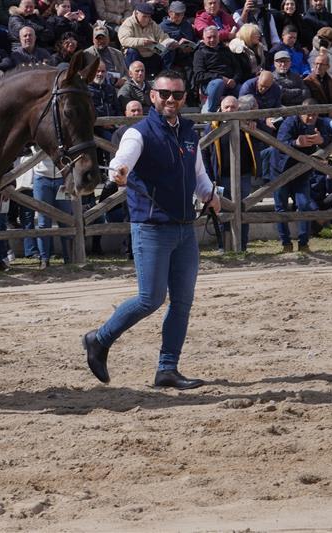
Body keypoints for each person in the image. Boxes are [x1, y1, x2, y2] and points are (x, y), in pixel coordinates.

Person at [82, 70, 221, 390]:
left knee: (182, 301)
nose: (171, 100)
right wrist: (118, 173)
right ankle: (99, 339)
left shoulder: (188, 132)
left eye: (178, 95)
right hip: (151, 227)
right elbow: (121, 162)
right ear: (153, 96)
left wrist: (212, 196)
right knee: (150, 298)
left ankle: (167, 369)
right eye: (165, 94)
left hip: (185, 227)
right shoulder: (139, 133)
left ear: (185, 98)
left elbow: (198, 176)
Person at [273, 98, 332, 253]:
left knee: (304, 205)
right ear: (300, 112)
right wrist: (296, 143)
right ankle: (286, 243)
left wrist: (322, 140)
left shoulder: (320, 123)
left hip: (303, 171)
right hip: (281, 169)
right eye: (308, 115)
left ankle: (304, 243)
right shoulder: (289, 122)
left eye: (314, 115)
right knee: (281, 208)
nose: (311, 118)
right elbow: (280, 143)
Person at [206, 94, 258, 251]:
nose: (230, 110)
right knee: (222, 212)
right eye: (226, 107)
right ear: (220, 108)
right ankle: (224, 246)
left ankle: (242, 246)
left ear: (239, 108)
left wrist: (256, 125)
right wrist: (210, 178)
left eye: (233, 107)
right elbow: (205, 154)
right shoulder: (212, 126)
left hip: (243, 176)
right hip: (221, 178)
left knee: (243, 210)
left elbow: (267, 134)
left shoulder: (247, 124)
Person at [117, 2, 177, 77]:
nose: (147, 19)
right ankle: (133, 79)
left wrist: (169, 42)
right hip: (136, 55)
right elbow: (124, 40)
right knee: (132, 51)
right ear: (136, 13)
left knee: (168, 50)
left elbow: (162, 36)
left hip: (151, 53)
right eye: (144, 16)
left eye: (148, 17)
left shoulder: (152, 23)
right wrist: (142, 42)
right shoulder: (128, 23)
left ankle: (164, 76)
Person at [192, 25, 242, 112]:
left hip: (230, 83)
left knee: (243, 88)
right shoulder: (200, 53)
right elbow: (199, 75)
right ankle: (211, 112)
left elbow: (238, 69)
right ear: (203, 38)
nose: (212, 40)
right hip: (211, 84)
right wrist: (220, 78)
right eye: (209, 37)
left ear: (218, 37)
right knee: (218, 83)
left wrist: (234, 80)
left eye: (214, 37)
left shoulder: (226, 50)